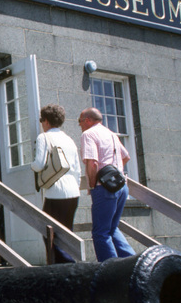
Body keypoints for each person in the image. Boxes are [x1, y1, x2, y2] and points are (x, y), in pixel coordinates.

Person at [78, 106, 135, 262]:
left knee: (100, 233)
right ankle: (132, 263)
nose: (80, 125)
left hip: (104, 188)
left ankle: (110, 271)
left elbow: (93, 163)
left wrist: (93, 185)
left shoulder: (88, 134)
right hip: (121, 186)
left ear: (87, 120)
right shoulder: (111, 134)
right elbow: (126, 157)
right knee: (111, 228)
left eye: (80, 122)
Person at [31, 103, 81, 263]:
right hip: (73, 191)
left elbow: (38, 164)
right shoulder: (69, 139)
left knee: (50, 234)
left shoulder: (44, 137)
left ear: (46, 121)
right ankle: (68, 266)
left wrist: (30, 165)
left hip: (55, 191)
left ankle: (65, 268)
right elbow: (77, 170)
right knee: (67, 232)